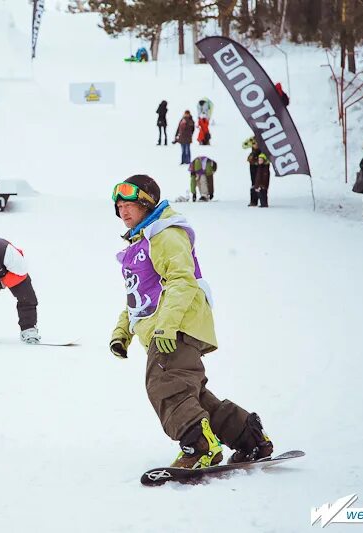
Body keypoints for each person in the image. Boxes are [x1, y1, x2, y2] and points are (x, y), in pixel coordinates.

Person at [109, 175, 273, 469]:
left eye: (129, 204)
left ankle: (199, 447)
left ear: (146, 203)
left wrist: (166, 327)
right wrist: (122, 332)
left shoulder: (166, 235)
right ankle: (249, 438)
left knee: (165, 386)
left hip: (176, 325)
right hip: (170, 325)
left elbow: (182, 281)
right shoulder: (143, 242)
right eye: (119, 206)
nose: (123, 212)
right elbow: (139, 296)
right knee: (191, 394)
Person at [244, 138, 270, 207]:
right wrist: (251, 141)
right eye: (254, 144)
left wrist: (262, 158)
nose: (255, 145)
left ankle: (263, 202)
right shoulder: (253, 139)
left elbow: (267, 155)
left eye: (256, 143)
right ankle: (253, 201)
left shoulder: (264, 143)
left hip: (262, 167)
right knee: (254, 183)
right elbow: (244, 145)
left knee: (262, 184)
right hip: (253, 166)